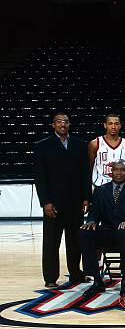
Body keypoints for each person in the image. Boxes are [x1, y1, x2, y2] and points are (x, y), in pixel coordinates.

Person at [33, 112, 90, 287]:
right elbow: (40, 178)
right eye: (59, 122)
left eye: (65, 121)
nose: (62, 124)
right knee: (51, 242)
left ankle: (75, 273)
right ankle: (50, 278)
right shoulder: (42, 146)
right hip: (54, 204)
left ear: (69, 124)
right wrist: (45, 202)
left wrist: (87, 197)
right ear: (53, 125)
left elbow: (85, 174)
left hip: (75, 202)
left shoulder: (80, 145)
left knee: (75, 241)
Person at [79, 160, 125, 298]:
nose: (119, 173)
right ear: (111, 172)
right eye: (116, 169)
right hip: (107, 230)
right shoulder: (100, 190)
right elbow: (94, 212)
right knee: (84, 233)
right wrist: (91, 221)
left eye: (122, 170)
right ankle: (97, 280)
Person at [89, 114, 125, 188]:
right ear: (105, 125)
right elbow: (90, 167)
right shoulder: (94, 144)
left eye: (116, 124)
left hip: (122, 186)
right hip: (99, 186)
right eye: (110, 124)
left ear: (120, 126)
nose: (113, 127)